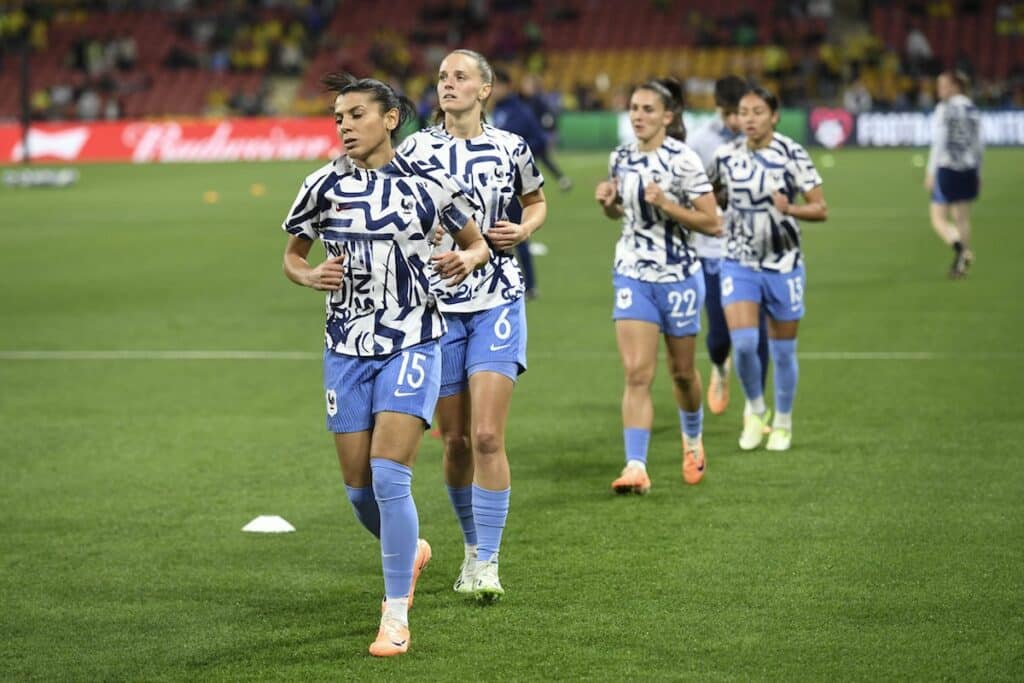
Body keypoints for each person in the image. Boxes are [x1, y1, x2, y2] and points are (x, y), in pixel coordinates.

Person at [281, 74, 490, 656]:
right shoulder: (321, 185)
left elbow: (476, 243)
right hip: (346, 347)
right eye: (338, 117)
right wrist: (310, 275)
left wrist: (466, 260)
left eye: (355, 115)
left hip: (414, 340)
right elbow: (293, 257)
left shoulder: (431, 186)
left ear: (390, 118)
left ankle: (395, 615)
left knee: (391, 474)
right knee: (358, 490)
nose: (344, 125)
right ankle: (413, 550)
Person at [396, 49, 547, 603]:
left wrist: (524, 231)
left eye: (460, 76)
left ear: (486, 88)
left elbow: (536, 200)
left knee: (486, 434)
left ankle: (488, 560)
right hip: (436, 309)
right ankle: (468, 546)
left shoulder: (511, 147)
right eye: (441, 77)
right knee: (455, 440)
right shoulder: (414, 150)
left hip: (498, 301)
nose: (448, 84)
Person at [594, 79, 722, 495]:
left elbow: (712, 221)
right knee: (636, 373)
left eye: (648, 109)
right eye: (634, 108)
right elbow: (620, 215)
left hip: (679, 275)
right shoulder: (621, 157)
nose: (638, 116)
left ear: (668, 116)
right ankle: (636, 465)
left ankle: (692, 439)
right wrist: (609, 203)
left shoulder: (683, 160)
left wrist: (667, 203)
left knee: (682, 374)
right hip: (633, 272)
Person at [709, 86, 828, 452]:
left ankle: (784, 422)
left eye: (758, 111)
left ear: (774, 116)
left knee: (782, 351)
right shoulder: (724, 155)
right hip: (738, 262)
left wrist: (789, 209)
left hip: (784, 264)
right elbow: (710, 194)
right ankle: (757, 411)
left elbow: (820, 208)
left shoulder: (792, 154)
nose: (749, 118)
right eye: (744, 112)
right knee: (744, 345)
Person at [687, 75, 770, 417]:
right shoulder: (700, 142)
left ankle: (756, 406)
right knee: (720, 335)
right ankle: (720, 366)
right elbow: (688, 191)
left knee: (757, 332)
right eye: (733, 113)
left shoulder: (764, 141)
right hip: (712, 250)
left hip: (755, 252)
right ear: (720, 109)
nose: (741, 121)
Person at [490, 68, 566, 299]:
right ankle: (503, 283)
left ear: (504, 87)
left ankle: (530, 284)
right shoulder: (498, 110)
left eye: (496, 86)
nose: (493, 92)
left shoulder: (519, 112)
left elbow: (540, 140)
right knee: (495, 233)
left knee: (514, 231)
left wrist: (520, 160)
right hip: (493, 181)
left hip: (511, 182)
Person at [925, 70, 982, 278]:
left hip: (948, 167)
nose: (940, 90)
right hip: (969, 167)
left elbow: (939, 142)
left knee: (938, 217)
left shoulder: (945, 109)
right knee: (962, 218)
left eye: (944, 86)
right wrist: (979, 171)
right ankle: (961, 266)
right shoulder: (972, 108)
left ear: (955, 86)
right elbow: (979, 144)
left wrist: (931, 171)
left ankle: (960, 249)